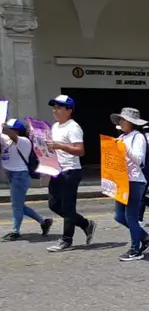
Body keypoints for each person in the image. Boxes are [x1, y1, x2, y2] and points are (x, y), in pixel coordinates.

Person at [44, 94, 97, 253]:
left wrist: (59, 145)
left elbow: (80, 150)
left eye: (59, 107)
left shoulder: (73, 127)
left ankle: (66, 240)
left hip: (71, 171)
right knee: (53, 205)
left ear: (69, 110)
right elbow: (53, 147)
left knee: (68, 207)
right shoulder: (54, 126)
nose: (55, 110)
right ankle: (85, 224)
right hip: (57, 170)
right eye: (54, 107)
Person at [110, 108, 149, 261]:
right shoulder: (122, 137)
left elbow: (138, 160)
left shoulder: (138, 137)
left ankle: (135, 250)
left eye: (123, 120)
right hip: (122, 180)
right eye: (120, 119)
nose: (120, 122)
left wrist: (123, 149)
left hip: (135, 180)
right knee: (119, 216)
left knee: (130, 216)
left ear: (131, 122)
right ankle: (146, 237)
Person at [1, 118, 53, 241]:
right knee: (19, 206)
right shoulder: (7, 141)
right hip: (11, 175)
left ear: (16, 131)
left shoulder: (24, 141)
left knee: (17, 207)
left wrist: (5, 129)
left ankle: (15, 231)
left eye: (11, 129)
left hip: (20, 175)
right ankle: (44, 222)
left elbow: (13, 136)